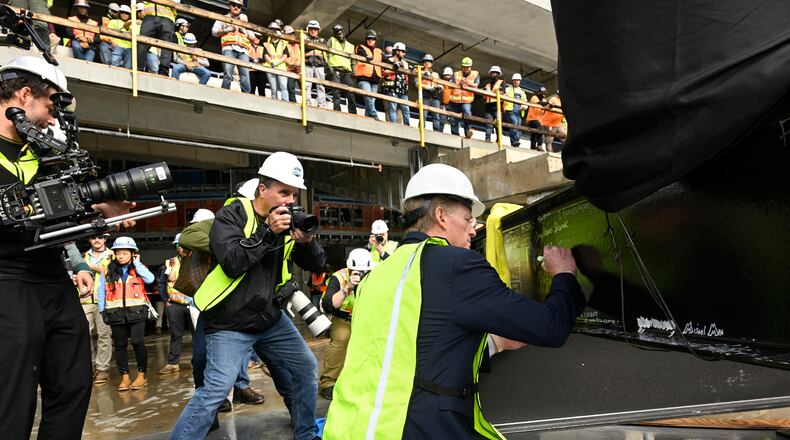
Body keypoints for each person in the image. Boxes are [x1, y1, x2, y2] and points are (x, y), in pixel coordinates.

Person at [323, 163, 586, 439]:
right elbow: (551, 327)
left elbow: (403, 351)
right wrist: (564, 274)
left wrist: (492, 344)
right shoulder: (457, 265)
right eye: (466, 219)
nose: (473, 230)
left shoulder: (377, 276)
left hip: (351, 428)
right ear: (441, 216)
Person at [0, 55, 136, 440]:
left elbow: (63, 208)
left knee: (73, 384)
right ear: (25, 96)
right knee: (12, 397)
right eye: (49, 105)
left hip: (52, 279)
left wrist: (100, 205)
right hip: (6, 281)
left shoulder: (45, 155)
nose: (51, 118)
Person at [170, 152, 326, 440]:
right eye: (283, 192)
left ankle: (305, 434)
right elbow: (232, 262)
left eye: (293, 194)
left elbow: (316, 266)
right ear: (262, 189)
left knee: (306, 367)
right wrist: (268, 233)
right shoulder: (232, 215)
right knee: (216, 389)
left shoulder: (287, 221)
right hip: (230, 321)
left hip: (268, 318)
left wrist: (307, 242)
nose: (289, 200)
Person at [98, 236, 155, 391]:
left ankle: (142, 376)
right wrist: (102, 310)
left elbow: (150, 279)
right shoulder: (108, 270)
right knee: (120, 346)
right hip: (115, 313)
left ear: (132, 253)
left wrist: (137, 263)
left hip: (136, 312)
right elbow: (101, 291)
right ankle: (125, 377)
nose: (121, 256)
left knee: (138, 342)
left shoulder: (138, 268)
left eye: (124, 253)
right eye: (118, 253)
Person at [319, 248, 372, 400]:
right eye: (357, 271)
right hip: (343, 318)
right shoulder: (339, 277)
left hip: (365, 317)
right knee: (342, 339)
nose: (361, 274)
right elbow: (328, 304)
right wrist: (346, 289)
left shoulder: (375, 274)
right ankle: (329, 382)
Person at [158, 234, 195, 375]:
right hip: (174, 304)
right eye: (178, 246)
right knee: (175, 334)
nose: (181, 249)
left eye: (183, 245)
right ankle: (173, 363)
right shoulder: (170, 263)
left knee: (197, 334)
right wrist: (165, 300)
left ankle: (197, 361)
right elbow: (162, 282)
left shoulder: (198, 261)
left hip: (194, 304)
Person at [82, 234, 114, 385]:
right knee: (83, 334)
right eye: (93, 238)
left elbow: (111, 273)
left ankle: (102, 369)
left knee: (104, 334)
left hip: (106, 301)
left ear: (105, 239)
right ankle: (87, 366)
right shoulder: (82, 256)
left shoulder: (113, 255)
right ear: (89, 240)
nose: (97, 240)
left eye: (100, 237)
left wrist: (90, 267)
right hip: (85, 300)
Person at [212, 0, 253, 93]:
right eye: (234, 5)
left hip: (243, 51)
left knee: (245, 75)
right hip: (229, 48)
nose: (236, 7)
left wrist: (245, 29)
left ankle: (247, 97)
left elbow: (254, 39)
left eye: (239, 6)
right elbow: (214, 32)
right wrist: (227, 30)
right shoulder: (223, 18)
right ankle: (225, 94)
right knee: (228, 73)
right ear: (229, 6)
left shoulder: (244, 21)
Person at [137, 0, 177, 75]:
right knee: (142, 42)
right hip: (150, 16)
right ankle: (139, 68)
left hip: (167, 17)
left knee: (166, 45)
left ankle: (163, 72)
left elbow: (176, 2)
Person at [327, 24, 357, 114]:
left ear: (343, 32)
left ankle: (353, 112)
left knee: (350, 93)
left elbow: (353, 60)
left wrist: (354, 71)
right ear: (334, 34)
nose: (339, 34)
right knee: (336, 92)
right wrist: (329, 67)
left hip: (347, 71)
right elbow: (326, 54)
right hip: (335, 69)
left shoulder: (351, 46)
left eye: (340, 32)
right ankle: (337, 110)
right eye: (337, 33)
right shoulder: (332, 40)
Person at [354, 29, 382, 118]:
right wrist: (367, 57)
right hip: (363, 78)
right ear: (366, 39)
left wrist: (394, 62)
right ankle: (375, 115)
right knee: (368, 97)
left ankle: (367, 117)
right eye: (369, 38)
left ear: (375, 40)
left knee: (371, 100)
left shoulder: (379, 51)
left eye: (373, 39)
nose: (371, 40)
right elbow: (361, 54)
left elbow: (386, 59)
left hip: (375, 80)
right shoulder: (361, 47)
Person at [449, 57, 479, 138]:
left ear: (470, 67)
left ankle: (467, 130)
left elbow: (476, 85)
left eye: (467, 67)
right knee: (453, 118)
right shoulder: (456, 74)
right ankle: (455, 134)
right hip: (454, 100)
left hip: (466, 100)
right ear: (461, 67)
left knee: (467, 112)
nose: (466, 69)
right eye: (464, 67)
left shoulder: (475, 74)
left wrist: (468, 83)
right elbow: (450, 84)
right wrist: (459, 82)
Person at [381, 42, 410, 125]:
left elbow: (406, 75)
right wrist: (394, 69)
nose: (404, 53)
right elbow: (383, 72)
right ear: (397, 51)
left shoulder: (405, 63)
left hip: (403, 90)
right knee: (392, 109)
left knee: (406, 109)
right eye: (403, 51)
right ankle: (394, 126)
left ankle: (408, 126)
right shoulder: (388, 60)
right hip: (391, 88)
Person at [303, 20, 328, 107]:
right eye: (311, 29)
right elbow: (302, 52)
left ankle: (322, 103)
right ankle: (307, 102)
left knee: (321, 86)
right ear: (308, 30)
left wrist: (310, 50)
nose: (313, 31)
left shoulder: (322, 40)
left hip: (320, 66)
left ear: (318, 30)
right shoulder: (304, 39)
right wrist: (313, 51)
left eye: (315, 29)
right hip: (307, 64)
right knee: (306, 85)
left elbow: (324, 51)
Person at [263, 22, 290, 101]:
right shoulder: (266, 43)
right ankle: (275, 102)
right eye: (272, 30)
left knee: (283, 87)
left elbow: (285, 56)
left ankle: (285, 103)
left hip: (281, 67)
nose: (274, 31)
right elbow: (265, 55)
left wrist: (277, 63)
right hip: (270, 66)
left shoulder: (283, 43)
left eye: (275, 30)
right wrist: (271, 62)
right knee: (273, 88)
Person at [416, 54, 443, 131]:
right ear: (423, 63)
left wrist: (440, 87)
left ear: (431, 64)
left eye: (429, 62)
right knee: (423, 115)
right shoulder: (419, 72)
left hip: (435, 97)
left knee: (436, 116)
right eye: (425, 62)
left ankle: (436, 131)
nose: (427, 63)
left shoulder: (435, 74)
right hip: (425, 96)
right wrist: (427, 87)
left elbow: (440, 84)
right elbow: (416, 83)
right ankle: (421, 130)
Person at [481, 65, 506, 142]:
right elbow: (484, 97)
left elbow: (502, 92)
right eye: (492, 73)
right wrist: (484, 93)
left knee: (498, 124)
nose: (493, 74)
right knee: (488, 124)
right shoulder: (487, 85)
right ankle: (487, 138)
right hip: (488, 107)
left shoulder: (502, 82)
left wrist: (491, 92)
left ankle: (499, 140)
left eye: (494, 73)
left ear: (498, 74)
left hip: (497, 107)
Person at [504, 73, 528, 147]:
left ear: (519, 81)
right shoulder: (508, 89)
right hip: (510, 109)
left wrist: (524, 106)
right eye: (515, 80)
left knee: (518, 125)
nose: (516, 82)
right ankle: (514, 141)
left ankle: (516, 141)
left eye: (517, 80)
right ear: (512, 81)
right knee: (514, 122)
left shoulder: (522, 92)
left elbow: (526, 102)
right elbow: (504, 96)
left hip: (519, 111)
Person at [108, 4, 133, 69]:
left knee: (128, 67)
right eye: (122, 12)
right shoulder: (113, 21)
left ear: (130, 15)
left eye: (126, 13)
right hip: (118, 45)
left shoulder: (133, 24)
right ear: (119, 13)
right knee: (114, 63)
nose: (124, 14)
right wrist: (112, 40)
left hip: (130, 48)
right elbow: (108, 33)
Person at [525, 86, 548, 151]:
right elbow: (539, 103)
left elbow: (547, 106)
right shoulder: (534, 97)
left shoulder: (544, 100)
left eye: (544, 93)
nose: (543, 95)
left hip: (539, 120)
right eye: (542, 93)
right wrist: (547, 103)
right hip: (532, 119)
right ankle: (539, 145)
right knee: (540, 129)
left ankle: (532, 147)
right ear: (538, 93)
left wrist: (551, 105)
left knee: (535, 133)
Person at [284, 25, 300, 103]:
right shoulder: (284, 45)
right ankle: (293, 102)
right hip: (289, 68)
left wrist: (299, 63)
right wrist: (290, 63)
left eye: (292, 34)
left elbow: (302, 56)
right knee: (290, 87)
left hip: (299, 68)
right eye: (289, 35)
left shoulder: (298, 44)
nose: (292, 36)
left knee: (304, 87)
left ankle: (307, 102)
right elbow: (283, 56)